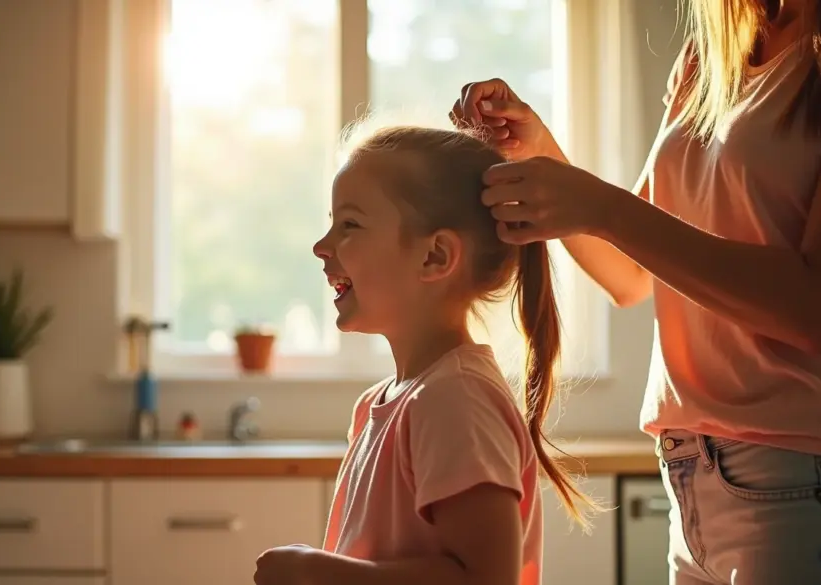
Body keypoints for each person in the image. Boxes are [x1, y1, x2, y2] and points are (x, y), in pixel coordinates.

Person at [450, 0, 821, 584]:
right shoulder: (708, 58)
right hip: (689, 470)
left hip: (803, 476)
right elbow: (631, 274)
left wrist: (602, 206)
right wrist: (537, 150)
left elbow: (817, 309)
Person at [252, 125, 599, 585]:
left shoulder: (455, 400)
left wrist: (319, 573)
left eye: (349, 225)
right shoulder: (388, 402)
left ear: (435, 256)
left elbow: (485, 578)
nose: (321, 246)